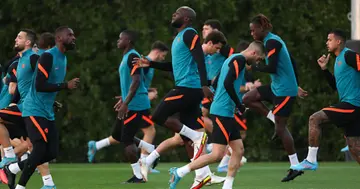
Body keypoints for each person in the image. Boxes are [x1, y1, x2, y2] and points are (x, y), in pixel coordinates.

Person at [168, 41, 265, 189]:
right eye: (259, 59)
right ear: (253, 53)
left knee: (238, 150)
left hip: (225, 111)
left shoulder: (232, 58)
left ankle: (227, 185)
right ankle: (180, 172)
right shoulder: (239, 60)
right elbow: (227, 83)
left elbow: (216, 81)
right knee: (217, 155)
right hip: (222, 112)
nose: (257, 62)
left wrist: (215, 95)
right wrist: (238, 105)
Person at [132, 6, 212, 182]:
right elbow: (172, 67)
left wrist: (204, 85)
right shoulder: (178, 38)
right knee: (186, 138)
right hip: (187, 88)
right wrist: (150, 64)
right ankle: (201, 175)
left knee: (159, 115)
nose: (173, 15)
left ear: (187, 19)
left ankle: (192, 139)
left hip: (188, 88)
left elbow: (200, 59)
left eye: (177, 13)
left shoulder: (190, 34)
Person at [0, 26, 79, 189]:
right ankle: (18, 176)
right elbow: (39, 84)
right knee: (38, 148)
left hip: (45, 110)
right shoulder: (45, 57)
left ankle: (13, 167)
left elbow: (38, 83)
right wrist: (66, 85)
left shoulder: (59, 58)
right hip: (33, 109)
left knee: (50, 152)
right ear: (58, 38)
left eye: (73, 35)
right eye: (69, 35)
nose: (73, 38)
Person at [86, 41, 169, 175]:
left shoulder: (145, 63)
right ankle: (144, 162)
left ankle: (96, 145)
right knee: (149, 131)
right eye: (163, 55)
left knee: (122, 135)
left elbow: (139, 83)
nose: (163, 58)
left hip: (133, 101)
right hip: (136, 104)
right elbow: (135, 82)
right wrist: (145, 95)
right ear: (158, 52)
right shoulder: (145, 64)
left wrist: (146, 91)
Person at [242, 14, 307, 182]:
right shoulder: (271, 41)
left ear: (262, 28)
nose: (252, 34)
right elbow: (292, 62)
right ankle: (272, 117)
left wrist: (254, 65)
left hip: (284, 91)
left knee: (280, 129)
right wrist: (296, 83)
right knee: (248, 98)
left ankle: (295, 166)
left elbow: (271, 67)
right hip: (276, 87)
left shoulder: (272, 42)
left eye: (253, 30)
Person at [292, 29, 360, 171]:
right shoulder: (338, 60)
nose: (326, 42)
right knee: (354, 148)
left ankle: (310, 160)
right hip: (351, 105)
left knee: (314, 119)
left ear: (339, 41)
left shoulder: (349, 55)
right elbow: (335, 86)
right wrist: (324, 69)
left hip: (353, 104)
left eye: (329, 39)